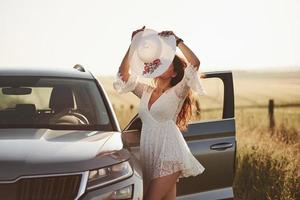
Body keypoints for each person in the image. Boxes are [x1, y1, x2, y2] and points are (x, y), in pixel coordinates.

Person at [113, 26, 206, 200]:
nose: (162, 63)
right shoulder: (146, 91)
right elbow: (123, 76)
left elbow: (195, 64)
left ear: (174, 73)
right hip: (150, 152)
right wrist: (132, 45)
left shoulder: (178, 91)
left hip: (169, 152)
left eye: (168, 62)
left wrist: (177, 41)